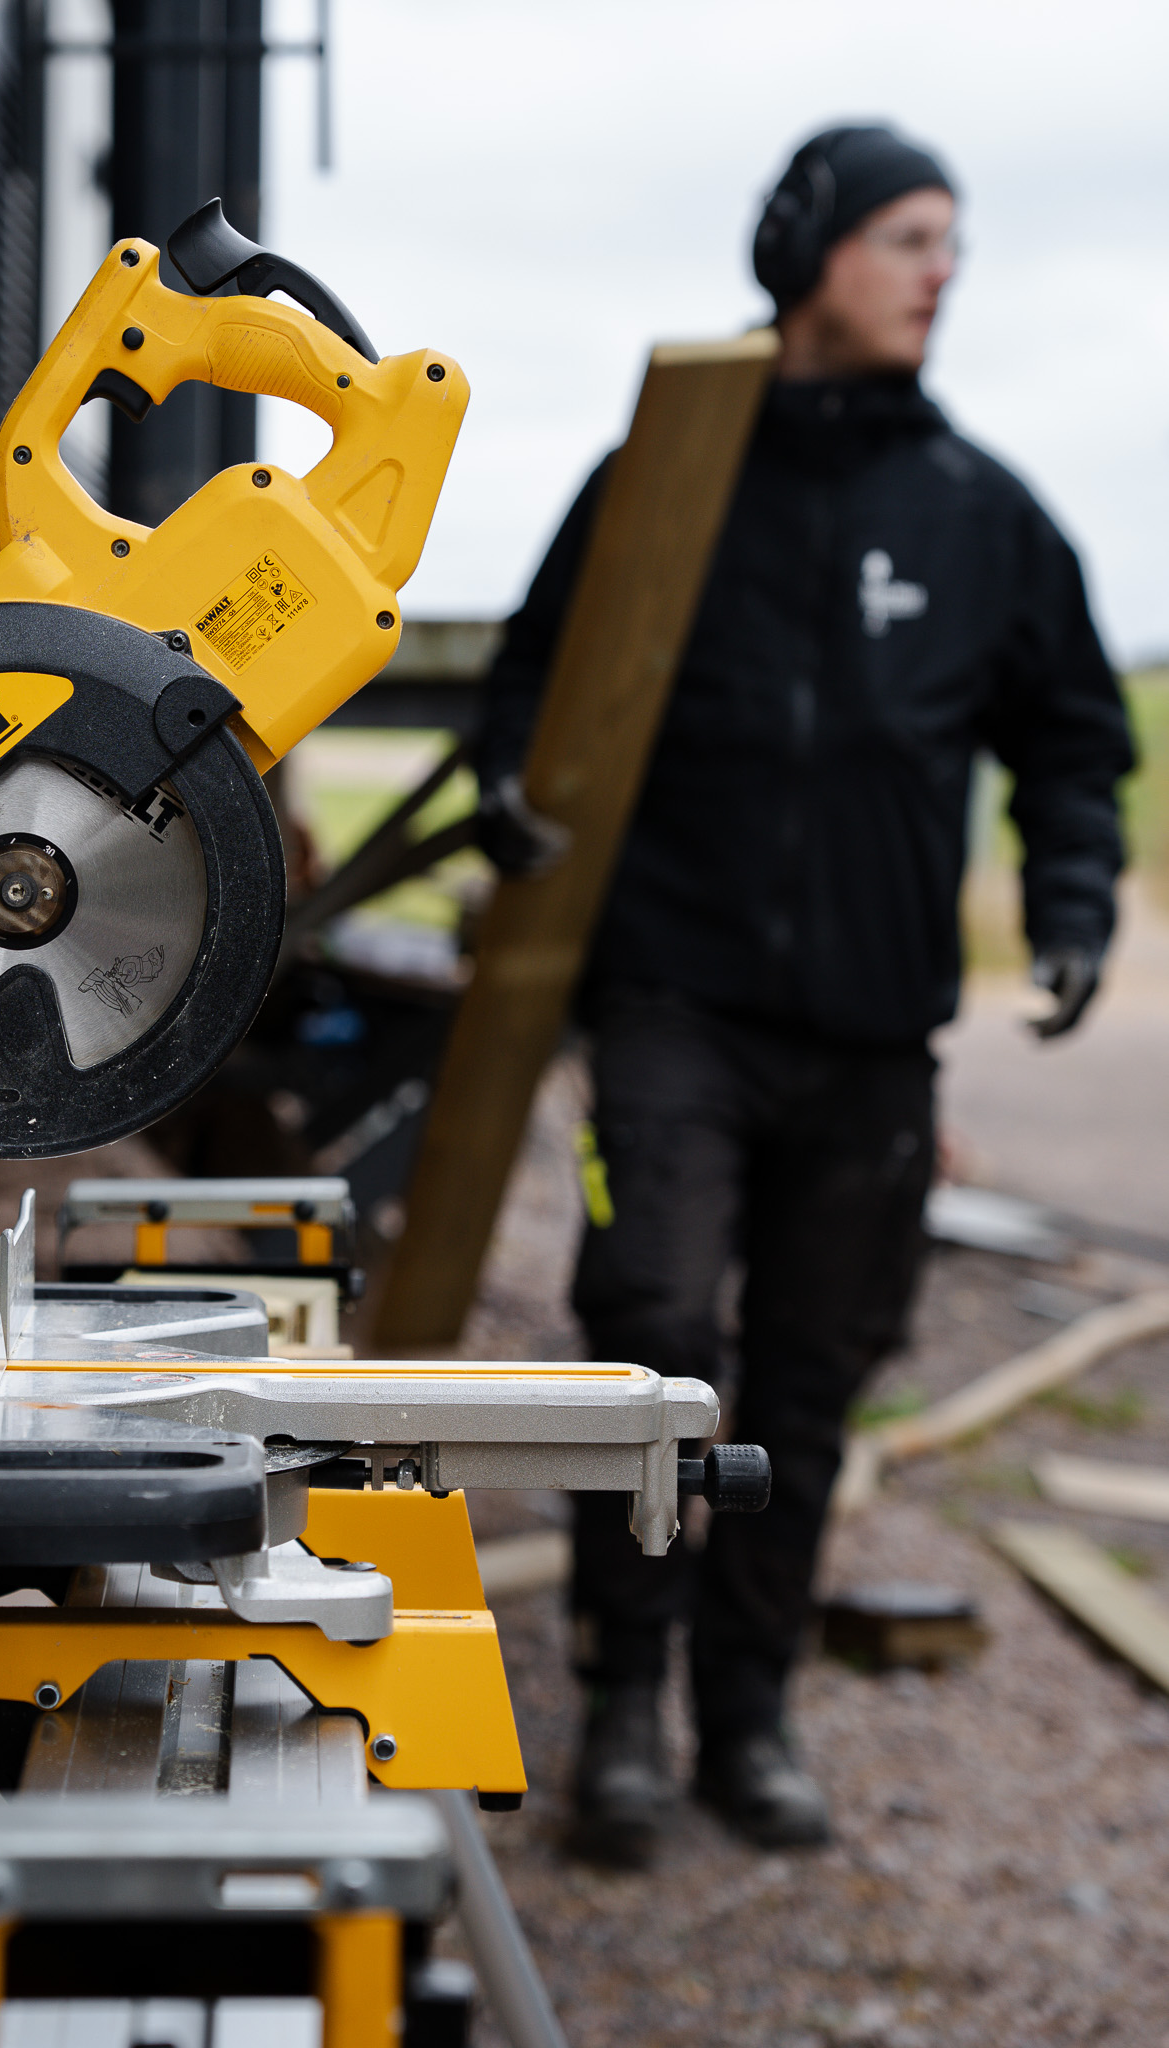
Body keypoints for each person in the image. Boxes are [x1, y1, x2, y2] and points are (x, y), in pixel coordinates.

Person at [475, 123, 1134, 1867]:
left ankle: (747, 1714)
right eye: (909, 237)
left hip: (869, 1040)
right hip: (671, 1009)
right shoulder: (666, 479)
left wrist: (1069, 899)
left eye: (954, 243)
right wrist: (504, 795)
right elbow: (528, 693)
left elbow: (1072, 738)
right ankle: (623, 1697)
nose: (941, 270)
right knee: (652, 1339)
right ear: (808, 252)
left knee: (809, 1383)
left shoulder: (980, 512)